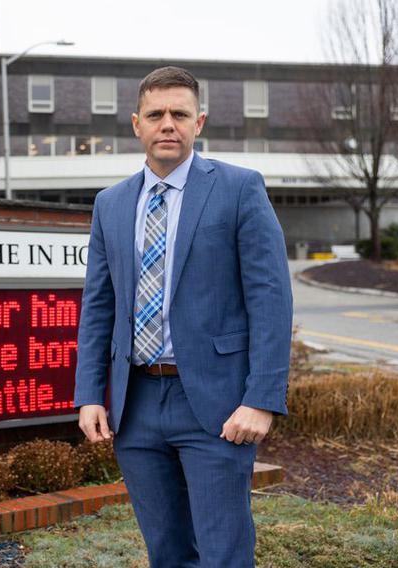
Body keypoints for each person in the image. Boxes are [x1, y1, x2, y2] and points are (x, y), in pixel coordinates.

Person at [74, 66, 293, 568]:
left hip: (217, 407)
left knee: (223, 554)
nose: (167, 124)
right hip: (137, 407)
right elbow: (99, 307)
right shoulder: (111, 204)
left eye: (180, 114)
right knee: (167, 552)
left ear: (200, 122)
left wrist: (261, 399)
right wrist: (90, 394)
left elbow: (271, 299)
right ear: (136, 124)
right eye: (156, 114)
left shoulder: (239, 188)